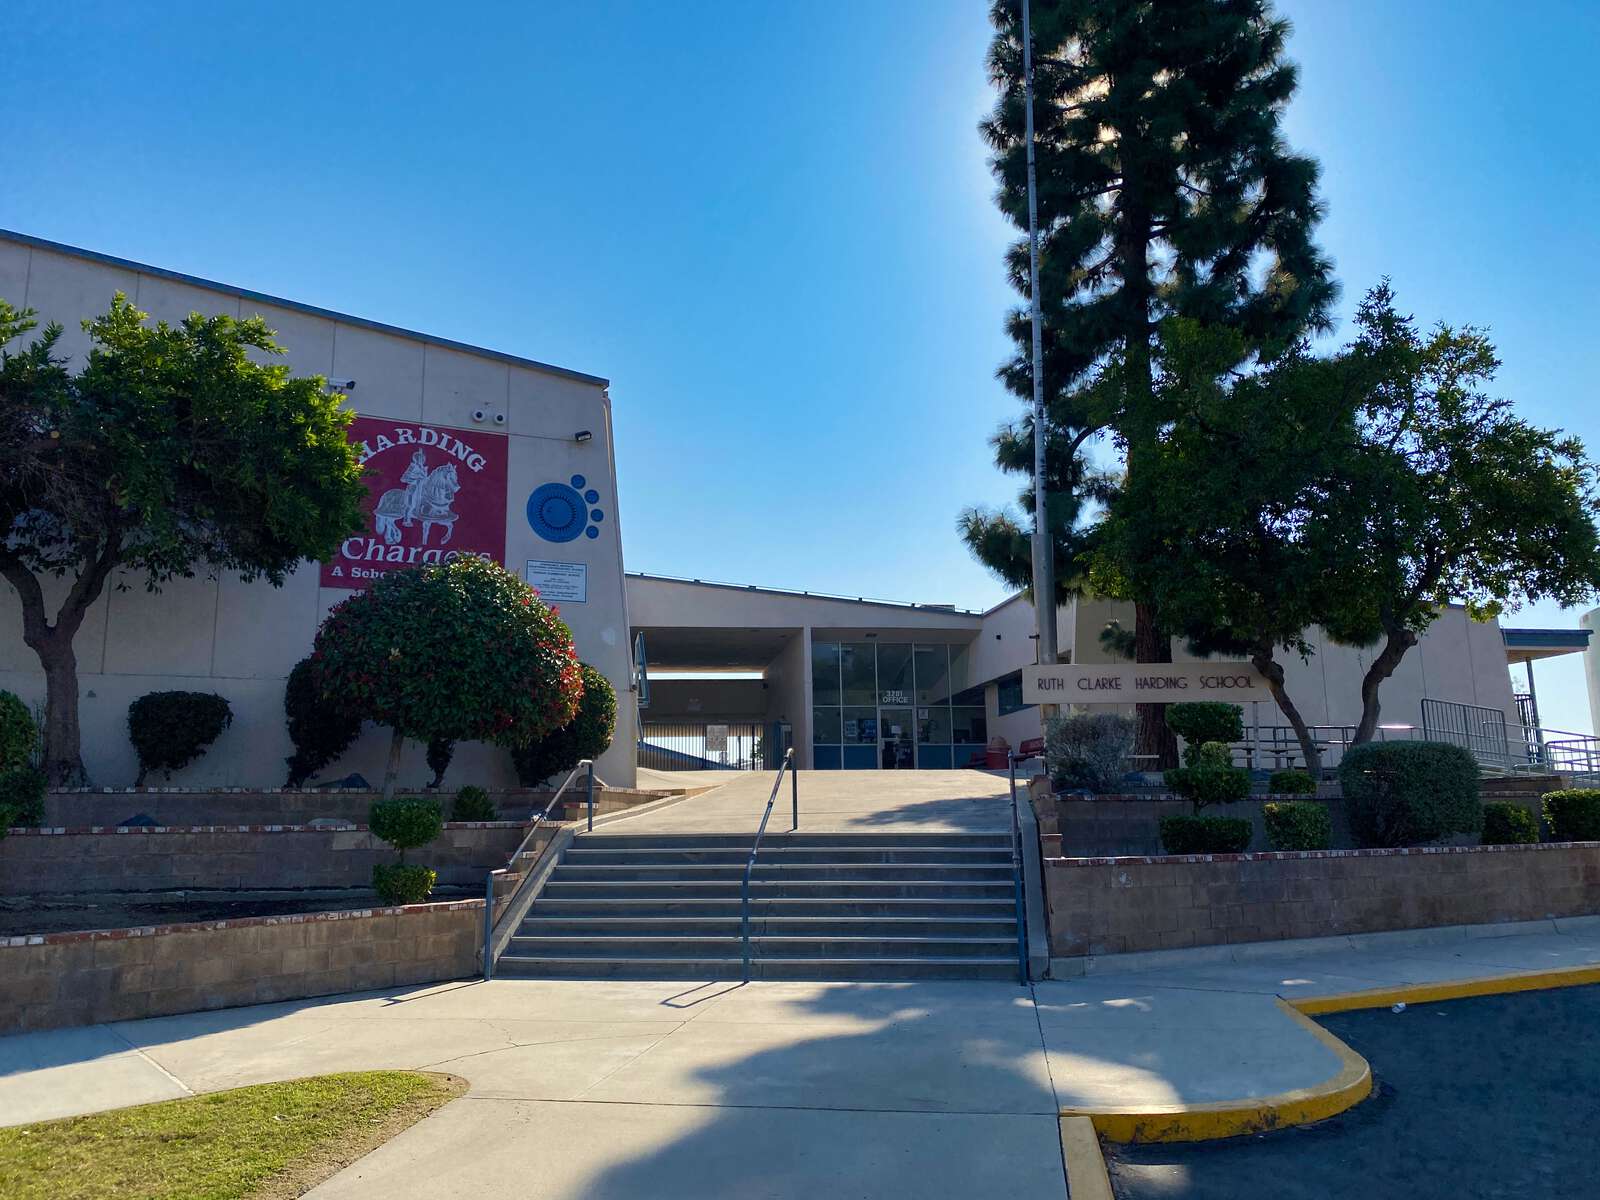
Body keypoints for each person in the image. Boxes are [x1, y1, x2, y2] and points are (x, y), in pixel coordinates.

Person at [400, 450, 429, 526]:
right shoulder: (412, 467)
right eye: (419, 458)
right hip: (413, 488)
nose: (421, 460)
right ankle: (406, 520)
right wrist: (416, 479)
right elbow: (403, 479)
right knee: (411, 505)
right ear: (415, 459)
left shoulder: (424, 468)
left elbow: (425, 479)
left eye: (422, 459)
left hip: (423, 488)